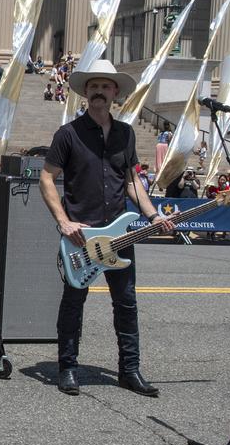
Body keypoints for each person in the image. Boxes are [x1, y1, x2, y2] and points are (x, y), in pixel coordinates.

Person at [39, 59, 174, 398]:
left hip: (120, 233)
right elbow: (46, 178)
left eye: (106, 86)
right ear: (86, 92)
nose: (99, 91)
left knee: (126, 303)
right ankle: (67, 368)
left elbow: (132, 182)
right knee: (74, 302)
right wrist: (63, 221)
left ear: (116, 92)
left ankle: (130, 370)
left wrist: (153, 215)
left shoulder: (126, 134)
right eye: (94, 86)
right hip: (80, 233)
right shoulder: (68, 134)